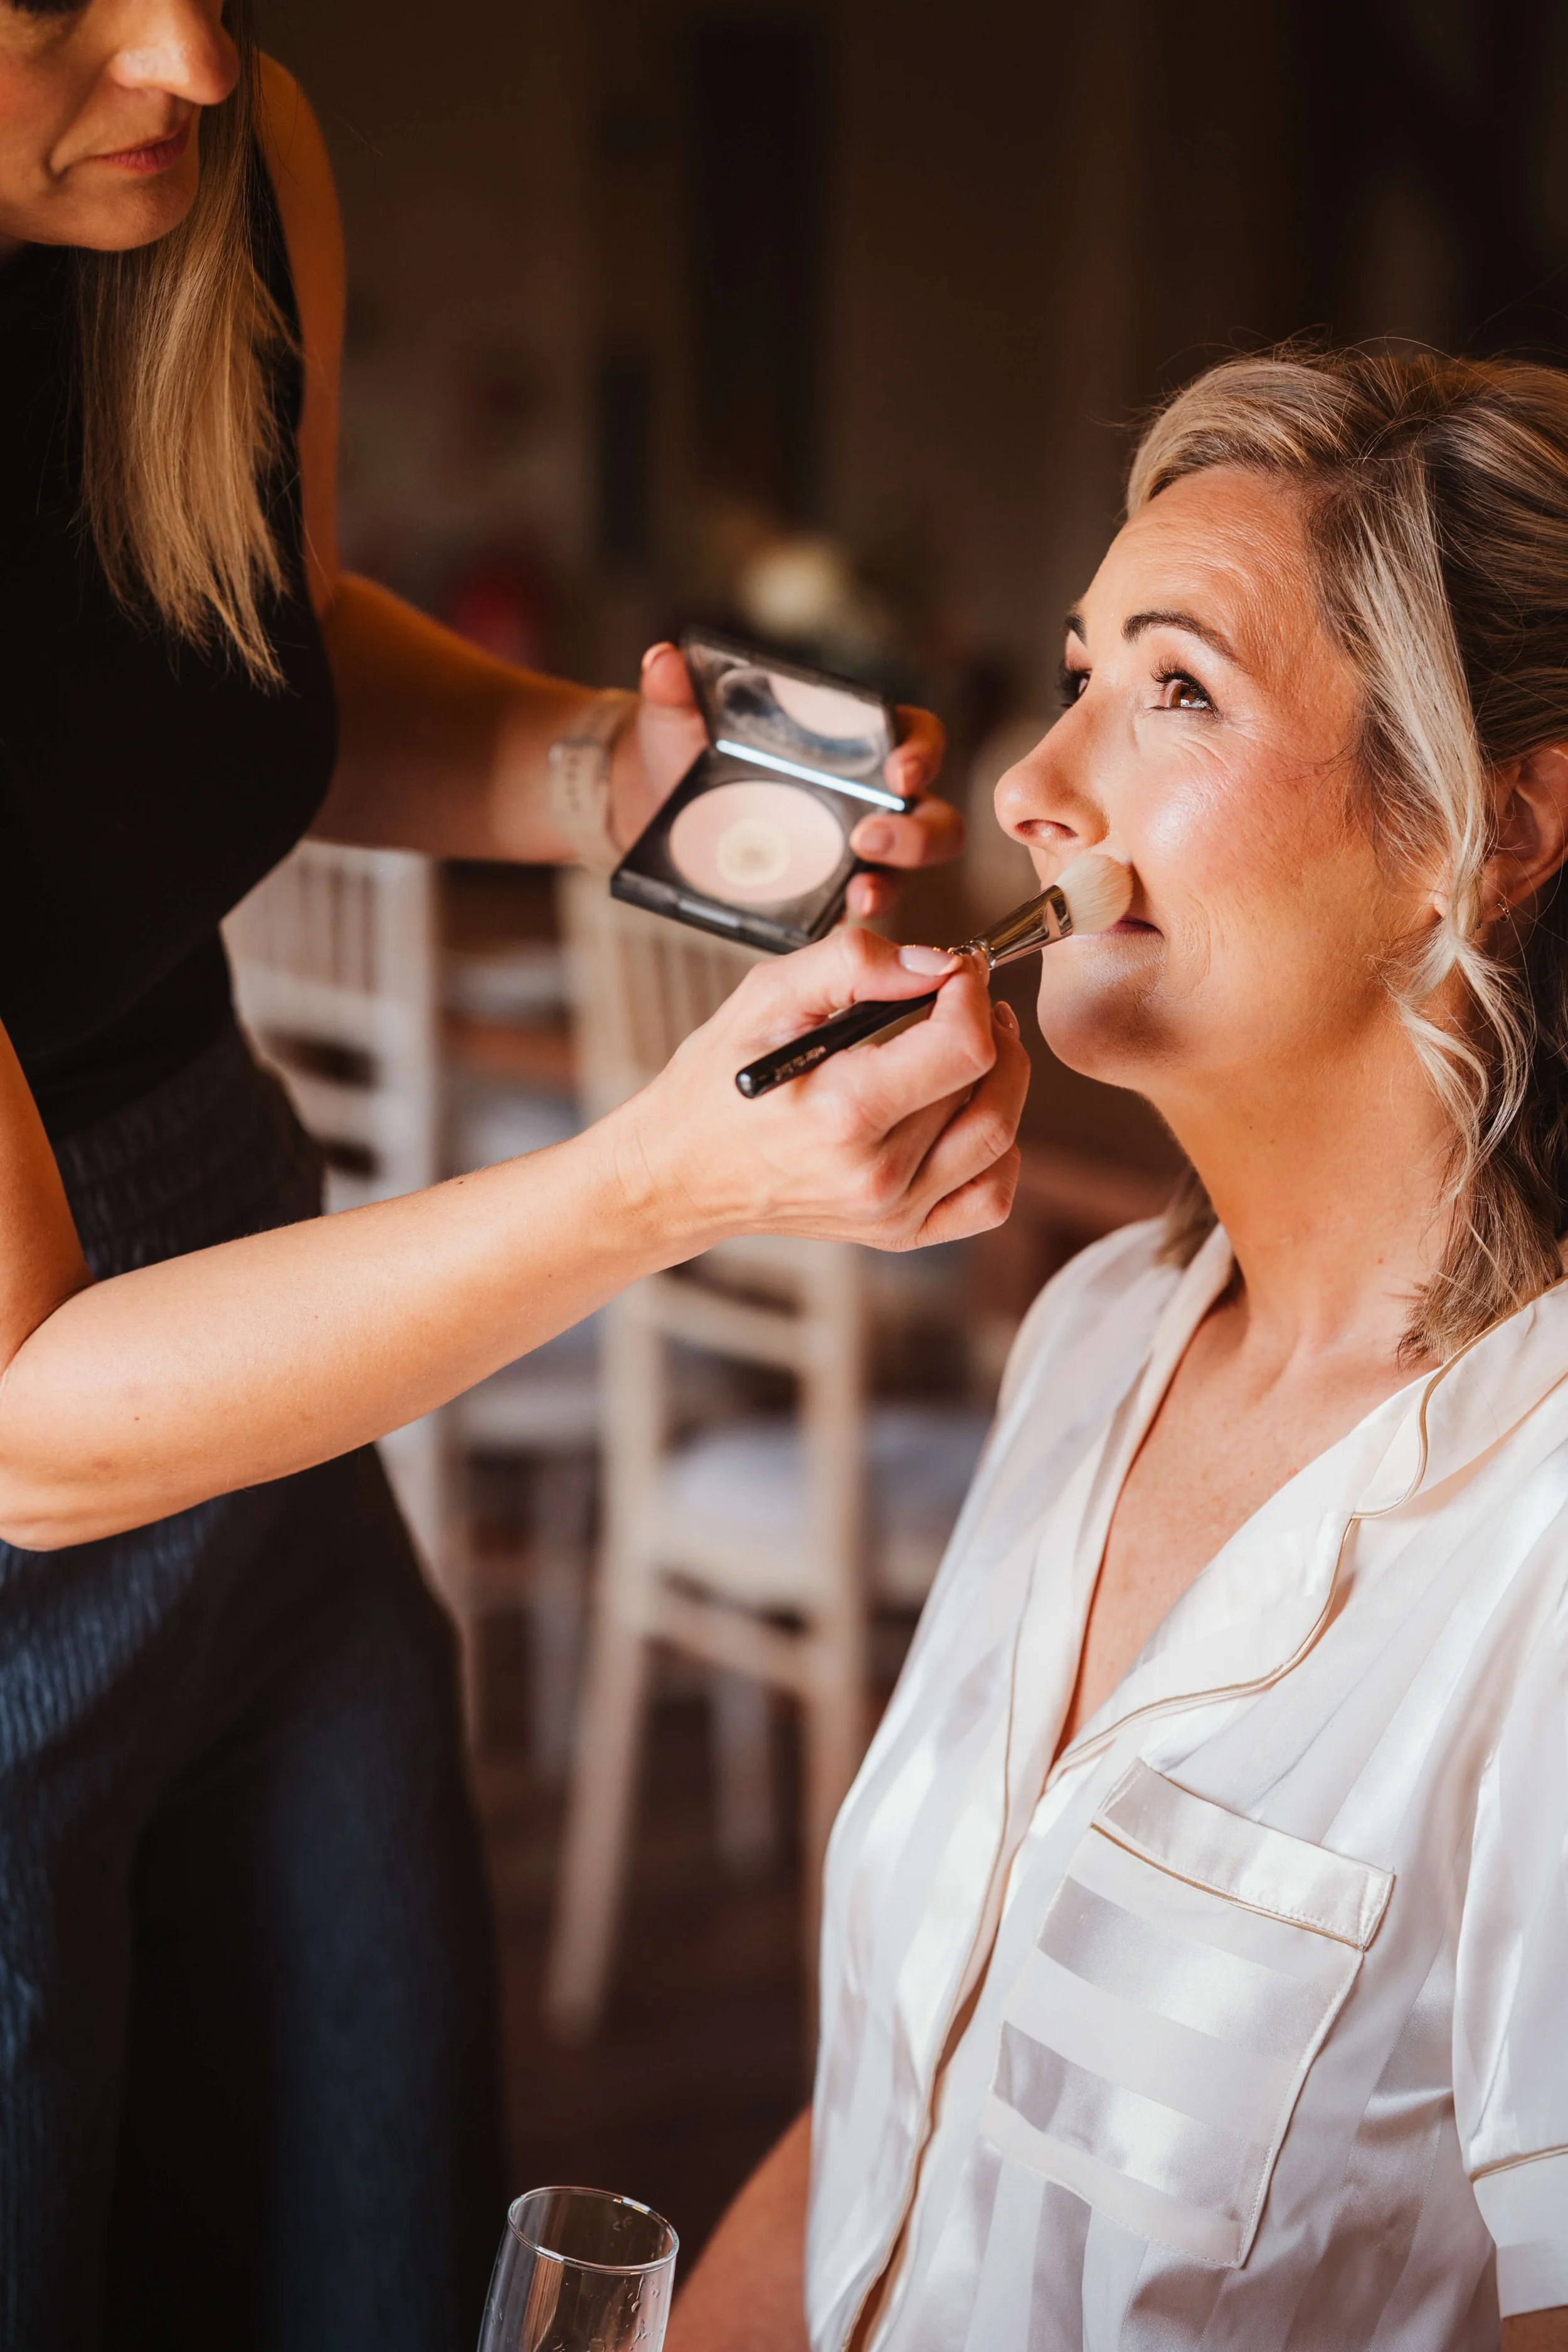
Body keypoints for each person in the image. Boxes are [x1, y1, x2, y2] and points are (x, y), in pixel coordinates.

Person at [0, 5, 1030, 2349]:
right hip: (55, 1425)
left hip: (253, 1349)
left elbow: (238, 636)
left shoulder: (232, 163)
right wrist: (666, 1182)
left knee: (371, 2201)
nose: (179, 54)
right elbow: (32, 1425)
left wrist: (607, 781)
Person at [669, 346, 1568, 2352]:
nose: (1032, 781)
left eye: (1175, 688)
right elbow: (884, 2111)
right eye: (1080, 668)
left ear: (1486, 832)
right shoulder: (1094, 1333)